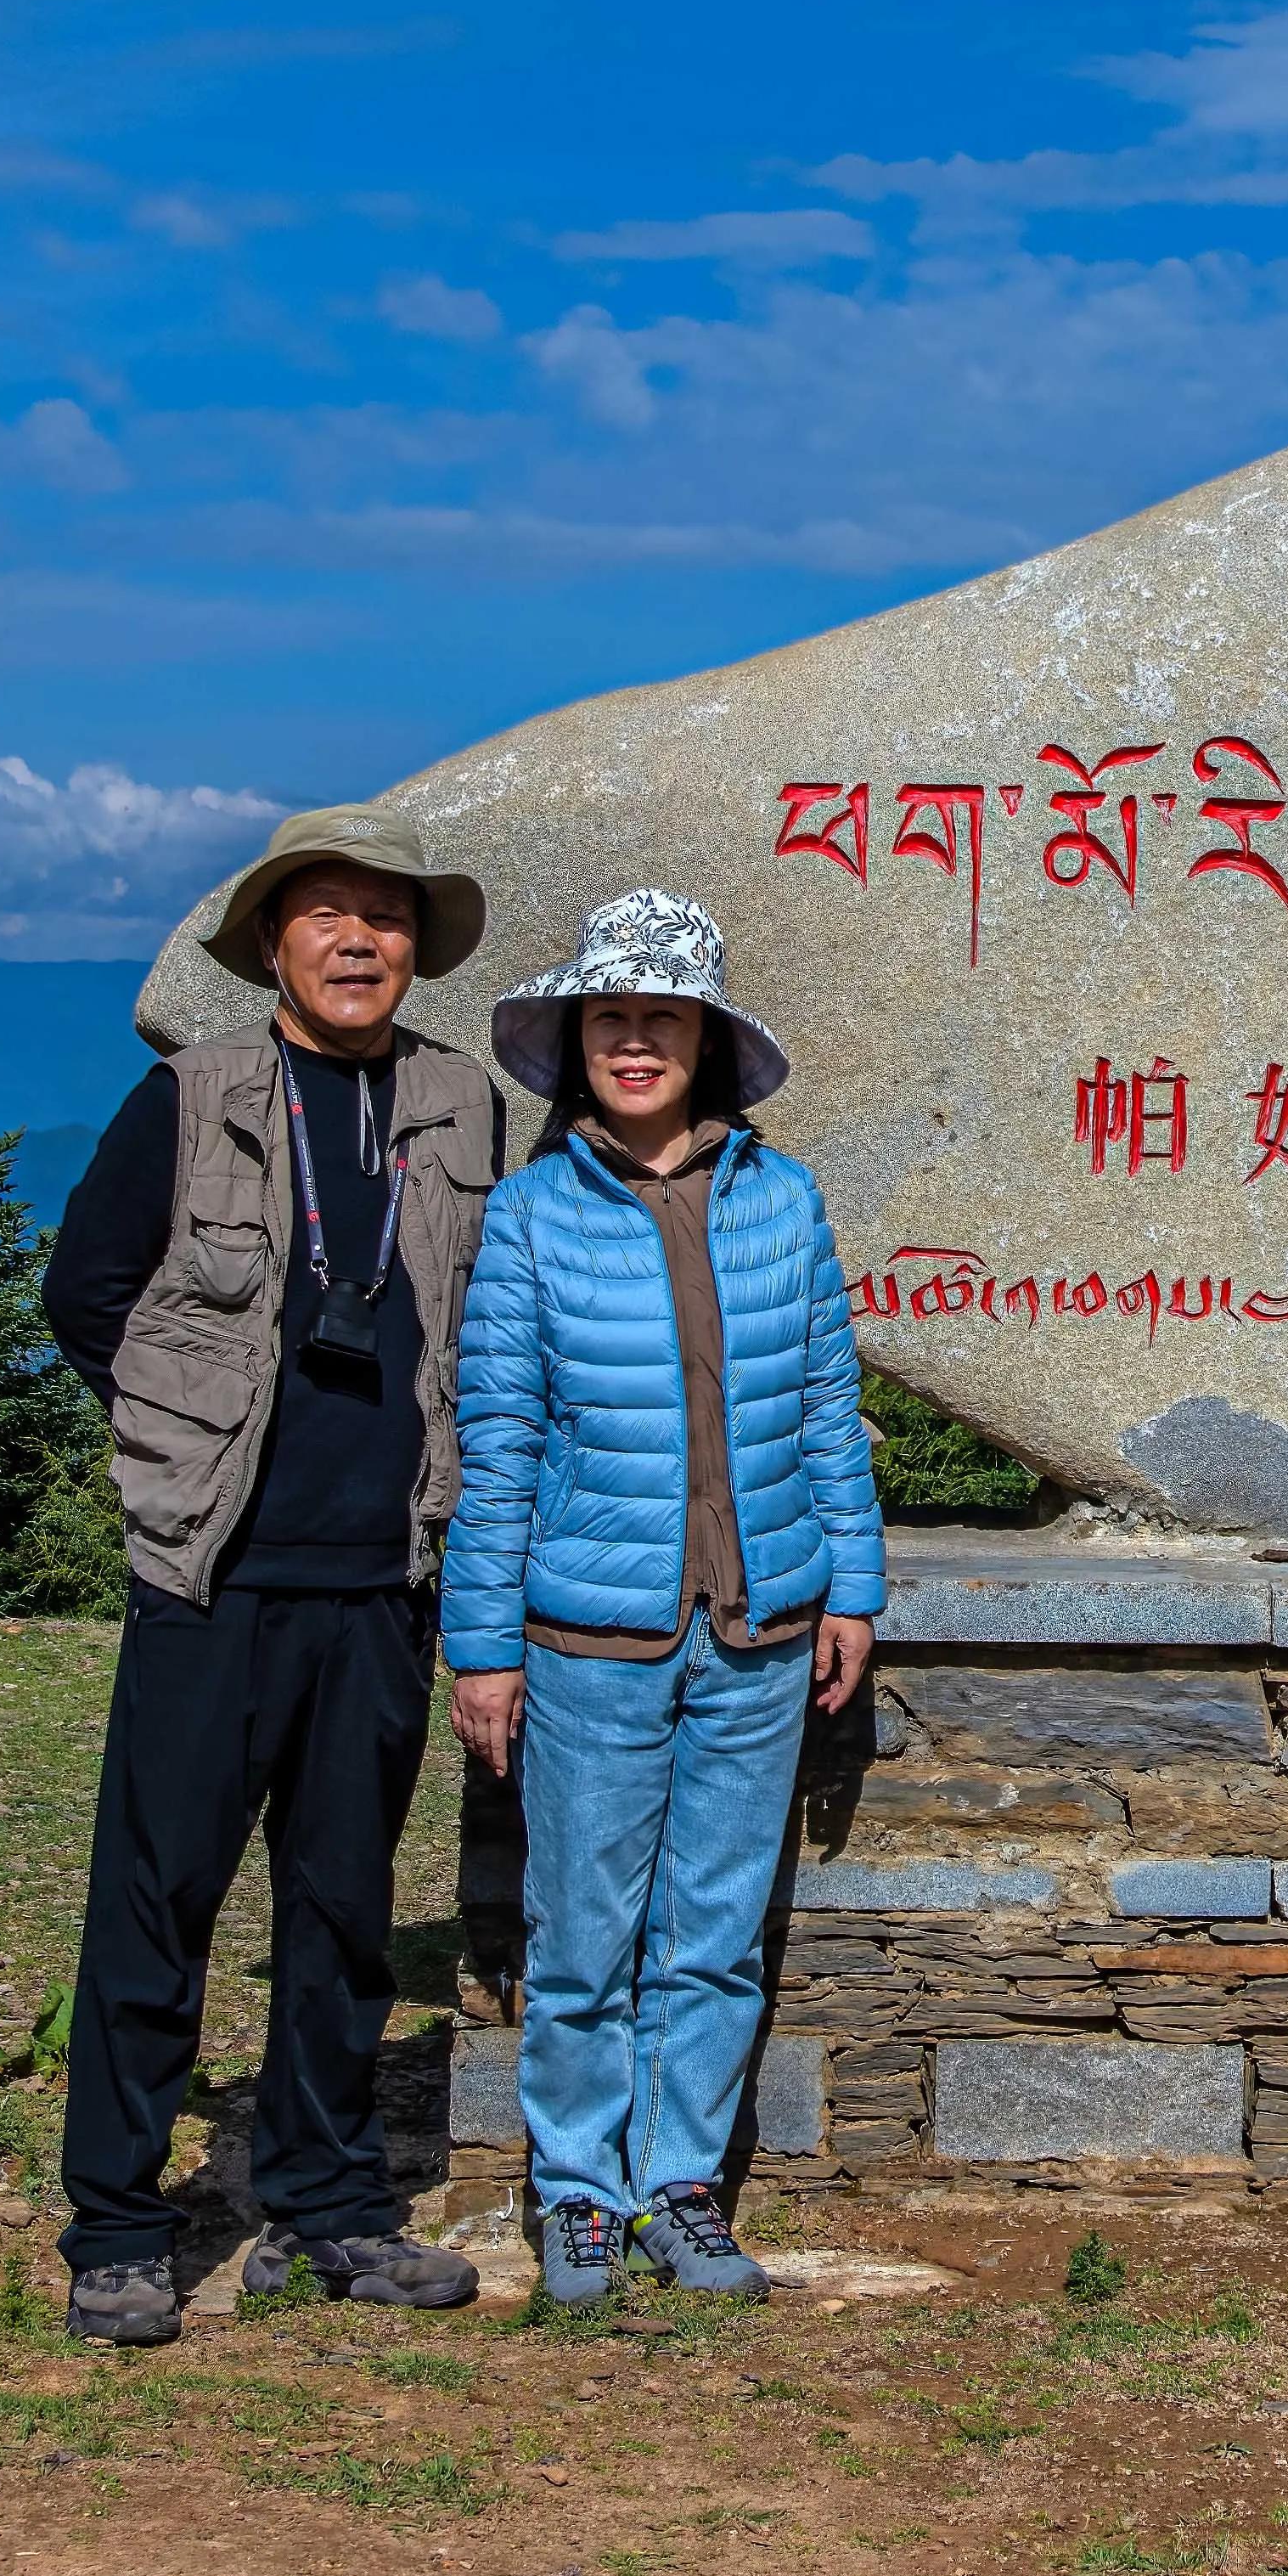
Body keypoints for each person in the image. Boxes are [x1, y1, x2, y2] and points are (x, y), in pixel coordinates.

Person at [32, 803, 521, 2345]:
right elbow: (85, 1292)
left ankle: (327, 2204)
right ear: (272, 945)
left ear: (413, 950)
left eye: (385, 917)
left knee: (342, 1909)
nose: (360, 940)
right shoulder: (191, 1096)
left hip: (384, 1576)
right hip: (212, 1573)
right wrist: (184, 1438)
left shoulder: (463, 1102)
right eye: (328, 914)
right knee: (157, 1897)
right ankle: (117, 2224)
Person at [447, 887, 886, 2311]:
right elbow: (499, 1442)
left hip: (758, 1629)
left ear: (706, 1040)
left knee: (712, 1935)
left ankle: (680, 2186)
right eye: (612, 1020)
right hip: (589, 1635)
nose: (636, 1044)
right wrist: (481, 1648)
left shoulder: (785, 1198)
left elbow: (828, 1407)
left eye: (663, 1019)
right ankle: (577, 2192)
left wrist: (854, 1586)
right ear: (578, 1042)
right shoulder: (529, 1219)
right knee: (580, 1936)